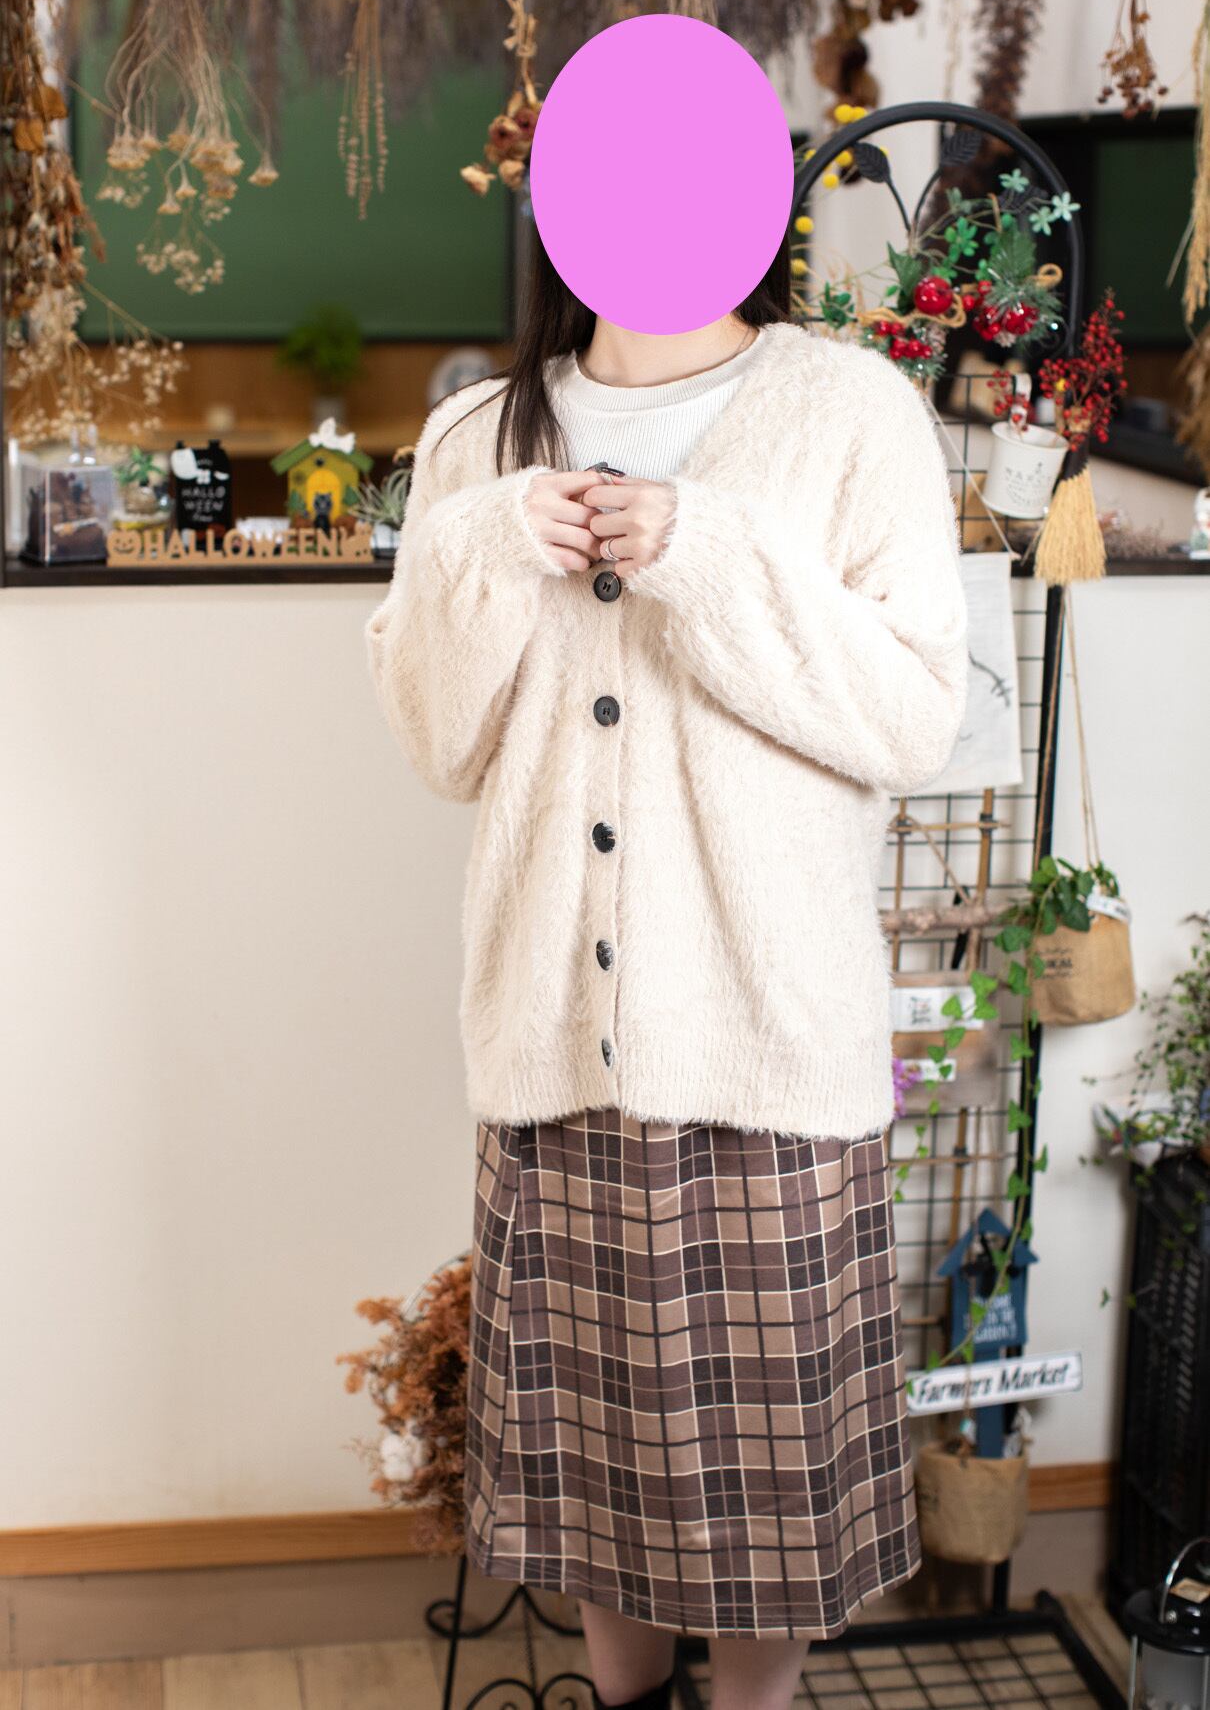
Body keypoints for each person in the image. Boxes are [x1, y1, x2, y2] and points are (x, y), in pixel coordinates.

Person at [365, 231, 968, 1710]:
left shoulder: (850, 410)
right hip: (553, 1033)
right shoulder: (476, 436)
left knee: (771, 1491)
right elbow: (438, 741)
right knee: (589, 1471)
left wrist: (706, 554)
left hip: (769, 1039)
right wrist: (487, 549)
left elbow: (910, 719)